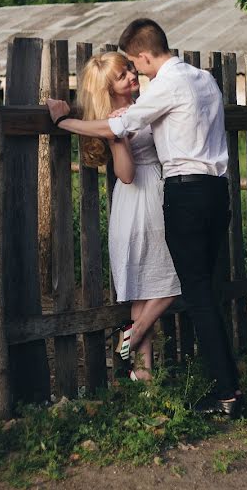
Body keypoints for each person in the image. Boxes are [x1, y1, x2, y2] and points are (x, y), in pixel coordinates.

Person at [46, 19, 240, 416]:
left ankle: (213, 387)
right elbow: (122, 146)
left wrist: (65, 122)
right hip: (206, 191)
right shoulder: (204, 78)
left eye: (135, 65)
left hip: (183, 192)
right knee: (185, 288)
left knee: (190, 288)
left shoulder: (165, 87)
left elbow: (120, 125)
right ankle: (163, 376)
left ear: (145, 55)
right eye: (127, 72)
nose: (137, 73)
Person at [75, 52, 180, 382]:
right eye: (122, 76)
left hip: (159, 192)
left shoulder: (144, 103)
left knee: (156, 284)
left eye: (129, 69)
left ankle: (136, 358)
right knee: (159, 282)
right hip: (140, 201)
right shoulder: (114, 119)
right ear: (108, 88)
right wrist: (117, 137)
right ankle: (138, 358)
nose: (131, 76)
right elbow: (126, 174)